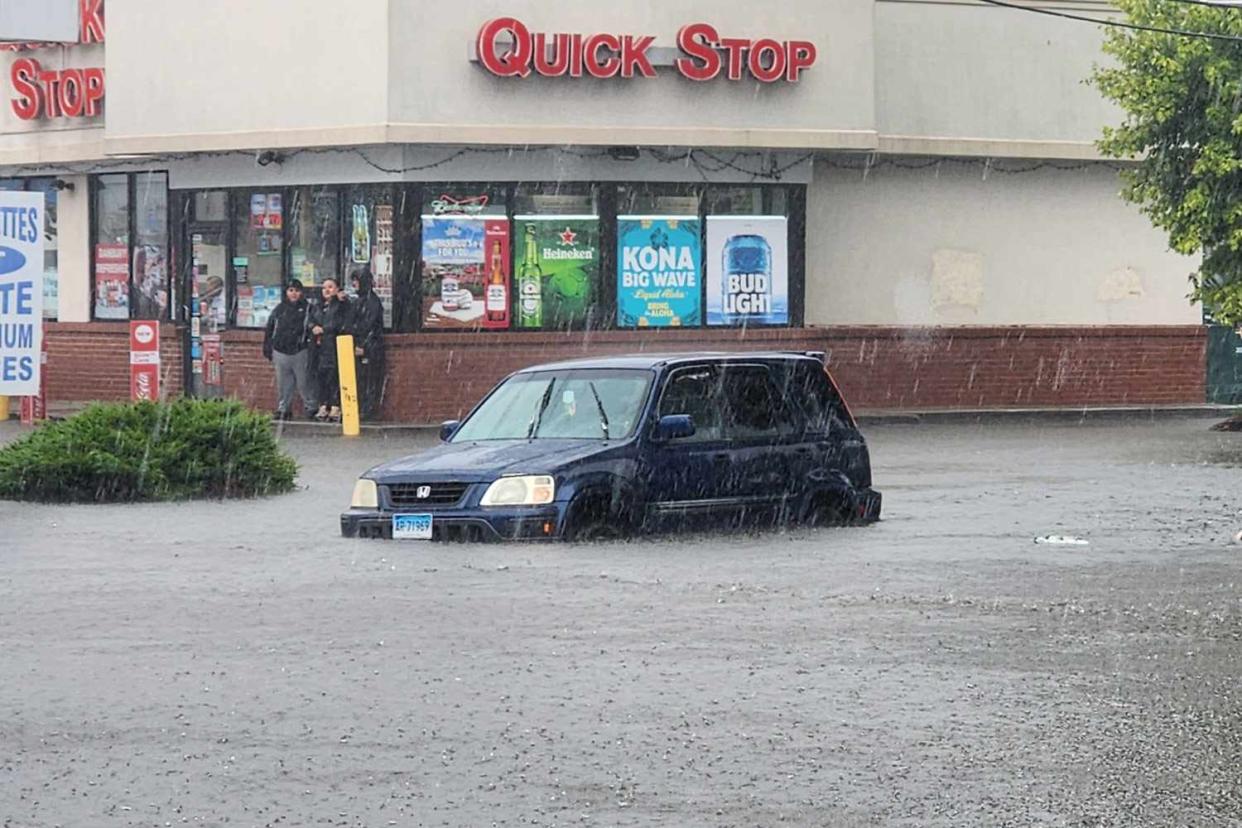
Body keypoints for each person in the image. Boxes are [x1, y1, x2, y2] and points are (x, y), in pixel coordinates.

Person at [262, 279, 317, 420]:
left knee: (304, 381)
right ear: (286, 292)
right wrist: (268, 346)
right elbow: (270, 328)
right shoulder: (280, 309)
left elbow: (312, 327)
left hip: (300, 350)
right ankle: (283, 408)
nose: (294, 294)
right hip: (280, 350)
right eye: (291, 290)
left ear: (302, 293)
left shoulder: (308, 308)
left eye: (297, 291)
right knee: (283, 383)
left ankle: (311, 407)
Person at [309, 276, 353, 422]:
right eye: (324, 287)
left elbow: (342, 324)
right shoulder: (318, 306)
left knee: (334, 377)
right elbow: (310, 321)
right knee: (321, 377)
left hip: (334, 346)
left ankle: (335, 406)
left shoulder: (341, 306)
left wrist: (324, 329)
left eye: (330, 287)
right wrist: (313, 327)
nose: (326, 290)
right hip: (319, 348)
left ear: (336, 289)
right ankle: (323, 405)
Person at [349, 268, 386, 421]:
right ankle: (363, 408)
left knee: (368, 379)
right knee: (362, 378)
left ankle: (367, 409)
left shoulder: (371, 302)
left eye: (356, 280)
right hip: (365, 345)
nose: (353, 284)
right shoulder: (361, 300)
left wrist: (363, 345)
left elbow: (370, 326)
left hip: (369, 348)